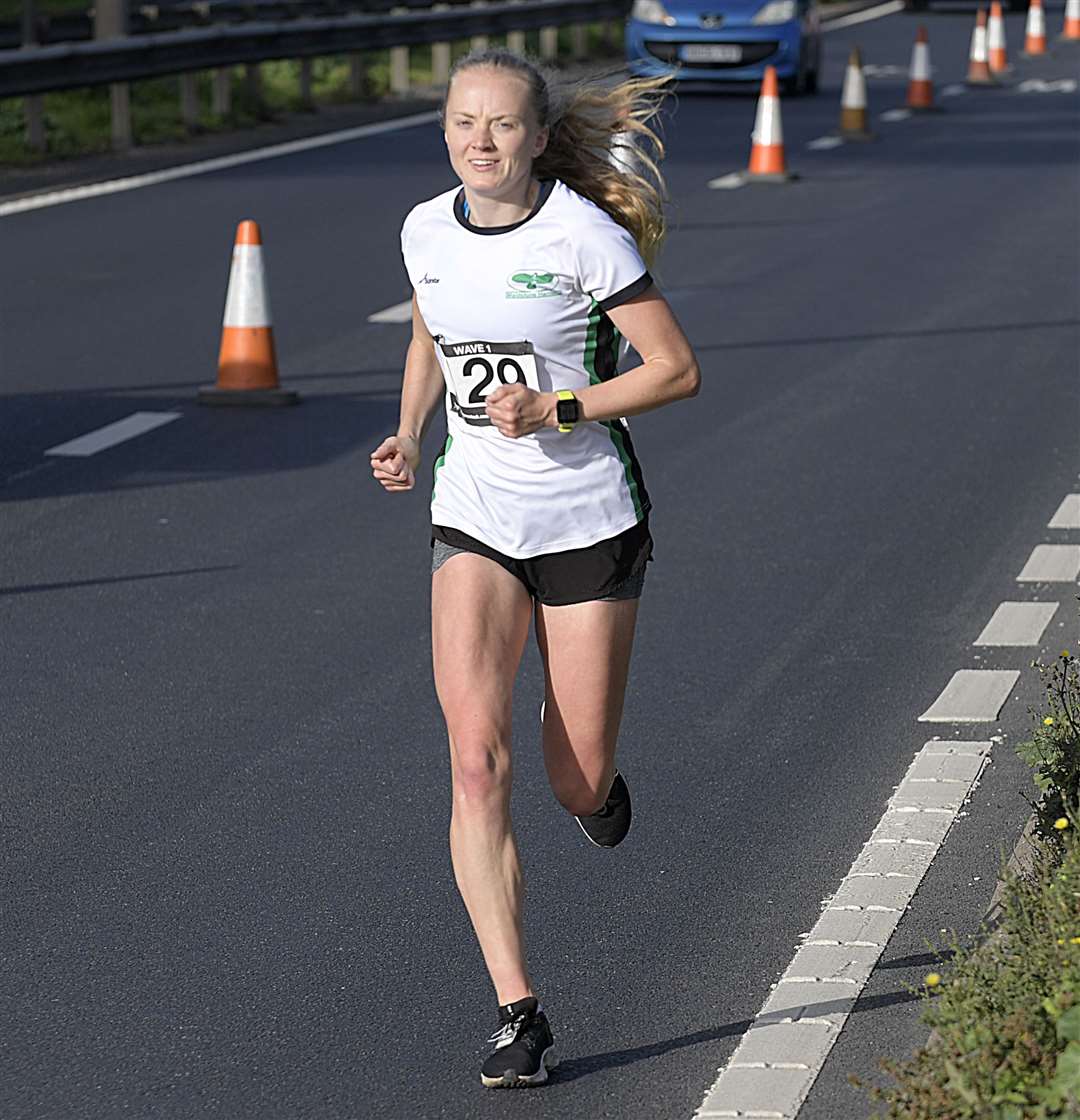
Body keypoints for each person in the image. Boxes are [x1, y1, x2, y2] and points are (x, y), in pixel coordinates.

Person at [370, 48, 700, 1089]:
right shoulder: (426, 228)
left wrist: (557, 407)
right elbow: (434, 320)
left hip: (586, 517)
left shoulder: (582, 236)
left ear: (539, 136)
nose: (480, 141)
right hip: (475, 513)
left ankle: (597, 789)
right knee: (475, 759)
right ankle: (520, 1010)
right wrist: (412, 429)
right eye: (463, 122)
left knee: (571, 772)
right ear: (445, 132)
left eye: (502, 125)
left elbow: (675, 370)